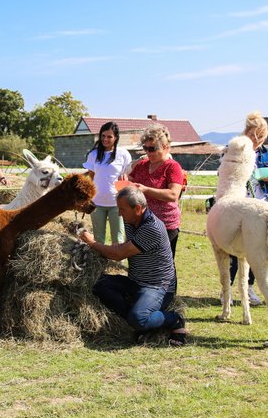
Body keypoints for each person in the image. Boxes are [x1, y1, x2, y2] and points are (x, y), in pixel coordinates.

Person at [79, 186, 187, 345]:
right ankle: (141, 317)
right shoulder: (131, 221)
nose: (119, 213)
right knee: (97, 284)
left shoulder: (152, 228)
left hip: (157, 287)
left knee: (138, 319)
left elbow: (117, 255)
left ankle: (174, 320)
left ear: (137, 208)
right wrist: (121, 246)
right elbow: (128, 247)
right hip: (135, 281)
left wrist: (91, 242)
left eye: (122, 209)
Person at [229, 111, 268, 306]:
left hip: (262, 205)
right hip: (240, 205)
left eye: (262, 136)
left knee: (257, 250)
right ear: (246, 132)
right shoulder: (235, 150)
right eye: (254, 135)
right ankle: (227, 288)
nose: (257, 140)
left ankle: (249, 288)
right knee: (235, 250)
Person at [128, 123, 185, 260]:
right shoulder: (142, 165)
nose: (148, 153)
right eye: (145, 148)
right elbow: (130, 182)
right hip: (142, 223)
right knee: (142, 263)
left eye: (152, 149)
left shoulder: (172, 167)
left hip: (165, 225)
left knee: (164, 266)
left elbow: (173, 194)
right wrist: (124, 180)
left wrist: (146, 190)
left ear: (165, 148)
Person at [83, 122, 132, 244]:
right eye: (103, 136)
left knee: (118, 239)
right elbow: (91, 177)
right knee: (98, 239)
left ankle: (116, 262)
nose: (105, 139)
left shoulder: (123, 154)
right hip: (97, 203)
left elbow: (128, 177)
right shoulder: (93, 154)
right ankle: (100, 262)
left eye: (109, 136)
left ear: (116, 137)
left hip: (118, 203)